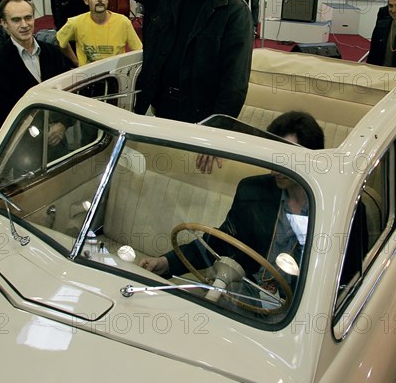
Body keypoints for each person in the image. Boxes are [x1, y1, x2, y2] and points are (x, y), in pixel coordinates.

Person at [139, 112, 337, 301]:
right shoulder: (253, 190)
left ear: (313, 159)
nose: (276, 168)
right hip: (247, 295)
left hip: (300, 310)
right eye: (274, 156)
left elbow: (344, 279)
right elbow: (221, 242)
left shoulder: (337, 207)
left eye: (287, 159)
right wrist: (165, 263)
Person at [111, 0, 252, 124]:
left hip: (199, 122)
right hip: (154, 110)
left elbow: (234, 86)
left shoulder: (234, 11)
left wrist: (215, 134)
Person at [0, 0, 73, 132]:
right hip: (22, 142)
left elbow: (70, 91)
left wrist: (63, 124)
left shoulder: (53, 53)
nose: (24, 25)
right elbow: (2, 111)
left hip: (58, 139)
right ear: (4, 23)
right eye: (16, 20)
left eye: (28, 17)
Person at [56, 0, 142, 67]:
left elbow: (139, 51)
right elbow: (60, 40)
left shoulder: (123, 22)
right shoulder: (75, 23)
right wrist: (75, 61)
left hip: (114, 76)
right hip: (87, 76)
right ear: (86, 0)